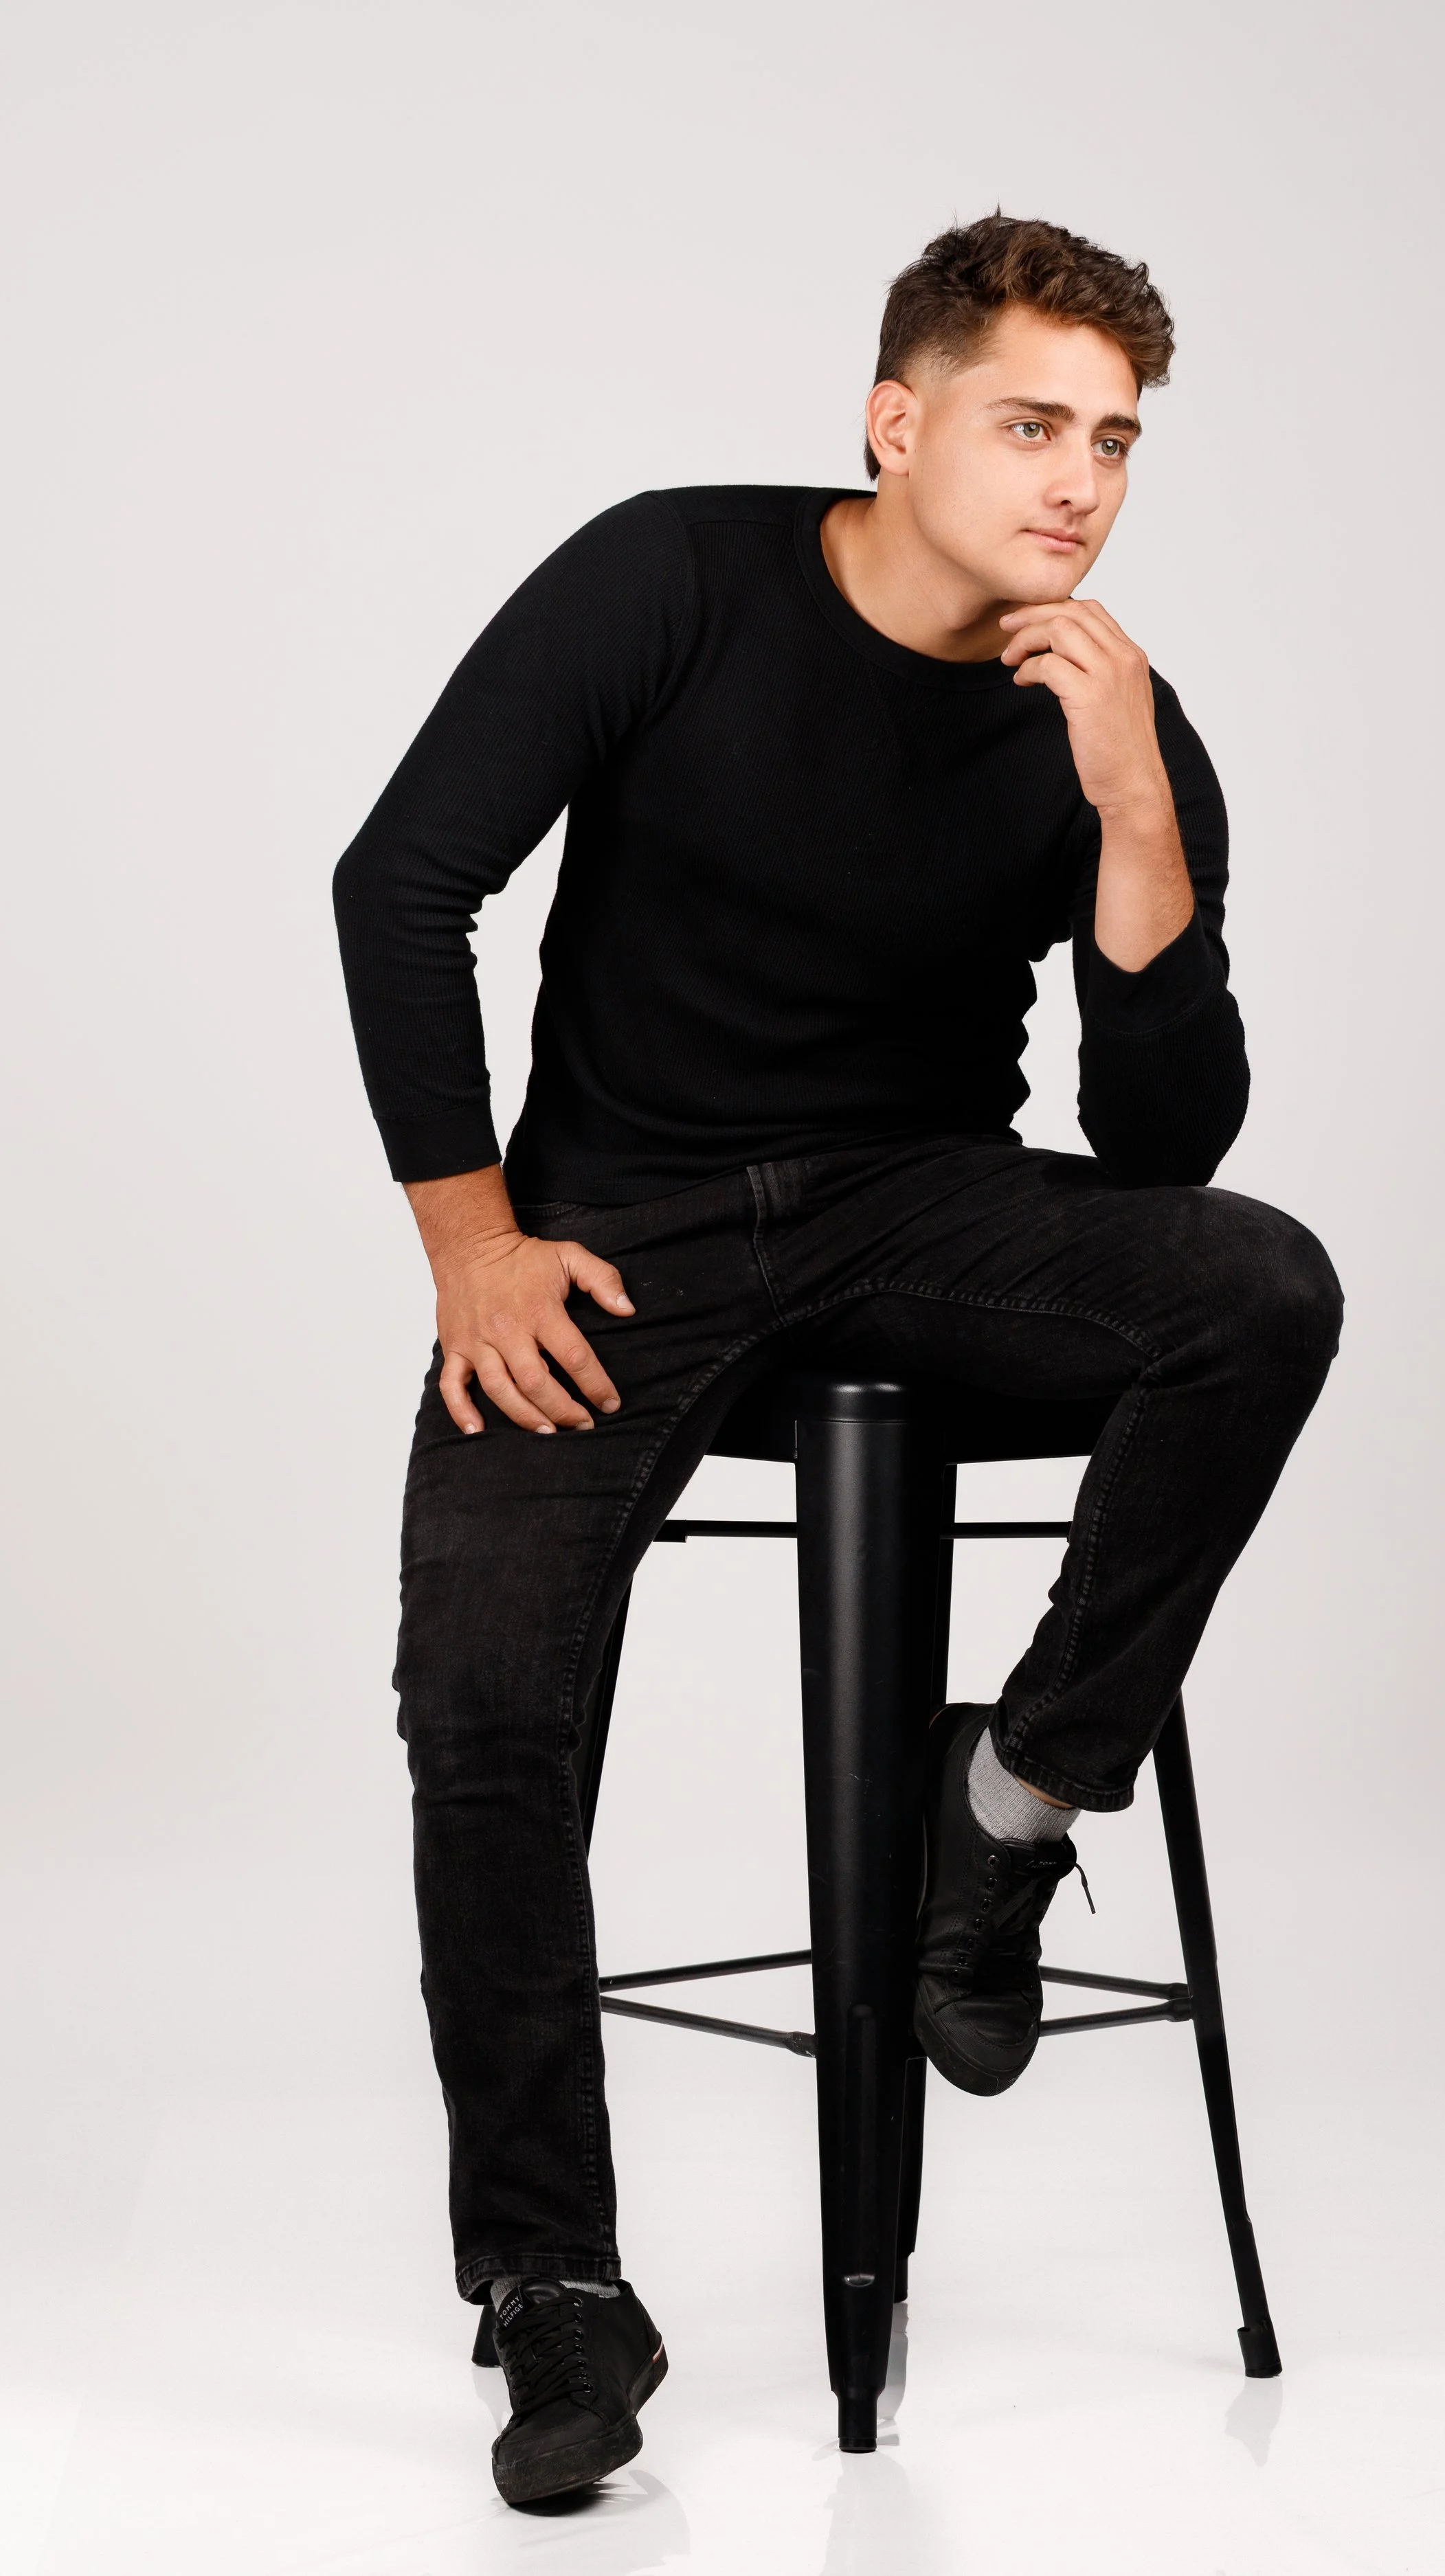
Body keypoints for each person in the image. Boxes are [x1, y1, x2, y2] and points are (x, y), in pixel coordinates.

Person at [333, 212, 1342, 2508]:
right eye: (1027, 423)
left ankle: (1002, 1812)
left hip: (921, 1205)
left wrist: (1133, 807)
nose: (1075, 481)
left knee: (1259, 1287)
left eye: (1113, 442)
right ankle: (552, 2282)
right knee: (482, 1707)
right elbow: (399, 884)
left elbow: (1164, 1151)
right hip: (617, 1237)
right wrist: (473, 1242)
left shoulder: (1107, 706)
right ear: (897, 421)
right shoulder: (671, 577)